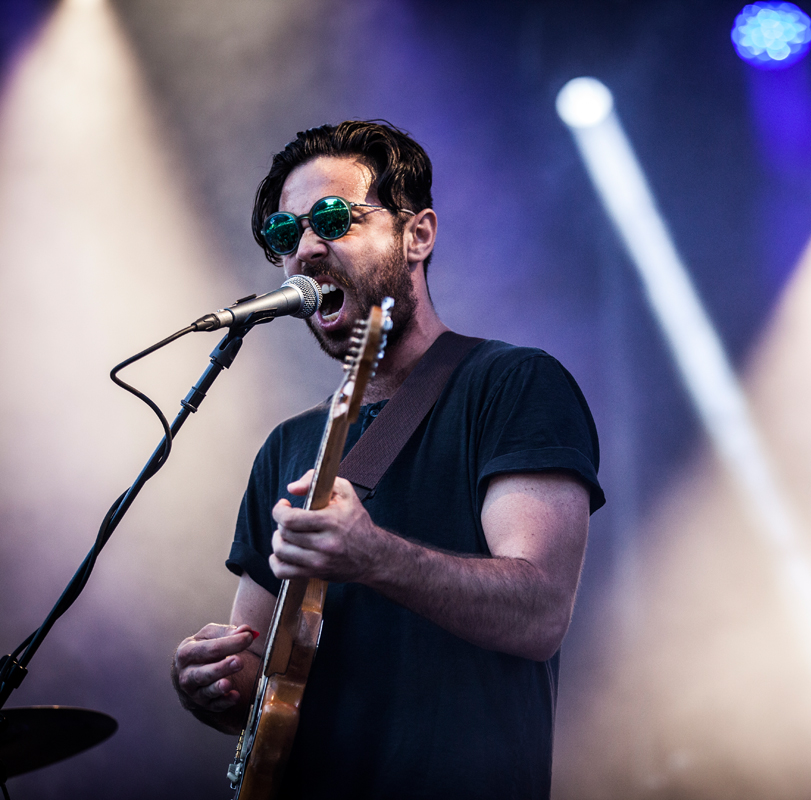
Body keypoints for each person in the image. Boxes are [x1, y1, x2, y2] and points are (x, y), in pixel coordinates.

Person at [170, 121, 604, 799]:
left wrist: (374, 556)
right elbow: (262, 676)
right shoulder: (287, 446)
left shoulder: (515, 385)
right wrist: (213, 684)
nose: (307, 248)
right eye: (286, 235)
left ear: (418, 235)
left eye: (336, 219)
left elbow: (539, 614)